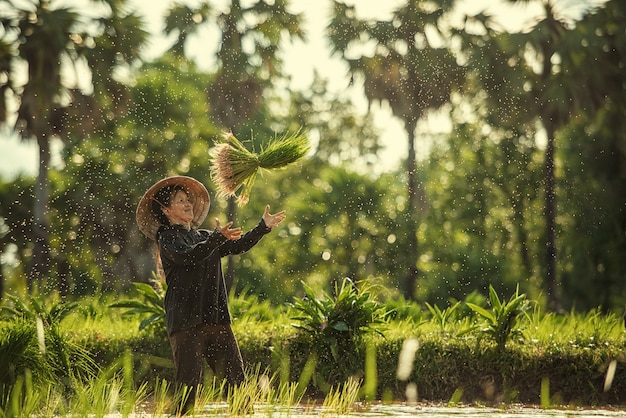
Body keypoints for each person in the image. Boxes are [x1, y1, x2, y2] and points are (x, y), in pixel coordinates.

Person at [136, 175, 285, 414]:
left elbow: (237, 246)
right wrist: (216, 238)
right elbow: (189, 255)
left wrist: (262, 227)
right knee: (188, 390)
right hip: (186, 323)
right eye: (181, 200)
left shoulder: (204, 236)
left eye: (188, 200)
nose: (188, 204)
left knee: (238, 387)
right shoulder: (168, 239)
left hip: (216, 320)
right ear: (166, 210)